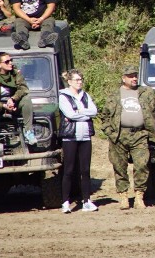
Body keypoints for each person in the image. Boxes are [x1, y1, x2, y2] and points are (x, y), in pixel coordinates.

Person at [99, 65, 155, 210]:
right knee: (119, 167)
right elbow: (104, 116)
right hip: (119, 135)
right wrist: (111, 133)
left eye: (135, 75)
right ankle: (124, 196)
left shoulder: (145, 92)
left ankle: (139, 196)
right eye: (130, 76)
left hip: (140, 135)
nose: (134, 78)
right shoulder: (114, 95)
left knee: (142, 165)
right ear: (123, 78)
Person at [58, 69, 98, 213]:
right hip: (70, 137)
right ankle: (65, 202)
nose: (79, 82)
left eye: (81, 79)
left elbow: (94, 111)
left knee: (85, 170)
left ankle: (87, 201)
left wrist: (79, 113)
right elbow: (69, 114)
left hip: (85, 136)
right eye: (76, 80)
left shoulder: (86, 95)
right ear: (69, 81)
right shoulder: (63, 96)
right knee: (68, 170)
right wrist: (83, 114)